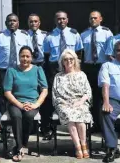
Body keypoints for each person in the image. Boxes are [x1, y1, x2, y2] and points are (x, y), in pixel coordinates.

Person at [42, 11, 83, 140]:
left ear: (67, 20)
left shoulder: (74, 34)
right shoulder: (49, 36)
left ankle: (75, 127)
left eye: (63, 19)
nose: (61, 21)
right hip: (54, 68)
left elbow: (79, 53)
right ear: (55, 20)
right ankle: (48, 129)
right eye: (59, 19)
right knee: (51, 97)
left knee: (73, 95)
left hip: (71, 67)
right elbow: (46, 55)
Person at [3, 46, 48, 162]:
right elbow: (7, 92)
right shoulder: (11, 70)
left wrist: (36, 104)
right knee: (17, 116)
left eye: (27, 56)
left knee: (28, 115)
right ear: (19, 57)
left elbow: (44, 89)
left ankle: (24, 143)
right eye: (22, 56)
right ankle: (19, 148)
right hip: (15, 102)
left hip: (32, 102)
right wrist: (20, 104)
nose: (25, 59)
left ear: (31, 57)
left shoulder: (38, 70)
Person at [52, 49, 93, 159]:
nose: (69, 61)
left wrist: (80, 102)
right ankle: (78, 147)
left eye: (71, 59)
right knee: (70, 116)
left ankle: (84, 145)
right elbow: (55, 95)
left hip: (80, 102)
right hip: (64, 104)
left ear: (75, 61)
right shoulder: (58, 77)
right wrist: (64, 103)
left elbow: (87, 92)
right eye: (66, 59)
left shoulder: (81, 74)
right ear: (62, 62)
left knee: (80, 117)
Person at [81, 10, 113, 133]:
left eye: (95, 18)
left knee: (104, 96)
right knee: (91, 97)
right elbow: (81, 54)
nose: (93, 20)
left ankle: (105, 125)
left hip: (103, 67)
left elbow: (110, 52)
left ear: (100, 19)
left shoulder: (107, 33)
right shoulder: (84, 34)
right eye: (91, 18)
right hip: (89, 68)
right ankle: (94, 124)